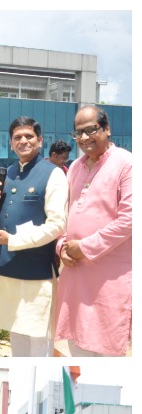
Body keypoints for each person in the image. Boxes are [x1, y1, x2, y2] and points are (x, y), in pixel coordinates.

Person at [0, 117, 68, 356]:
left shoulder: (53, 174)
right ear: (10, 143)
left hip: (37, 274)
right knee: (17, 343)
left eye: (29, 136)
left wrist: (12, 240)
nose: (24, 141)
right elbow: (3, 216)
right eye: (18, 137)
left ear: (40, 141)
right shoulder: (8, 173)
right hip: (7, 271)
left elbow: (57, 224)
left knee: (39, 345)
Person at [55, 106, 132, 356]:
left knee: (106, 349)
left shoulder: (127, 164)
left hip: (109, 276)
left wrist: (85, 247)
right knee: (76, 344)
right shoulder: (75, 167)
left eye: (91, 130)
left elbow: (130, 219)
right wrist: (62, 246)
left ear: (107, 129)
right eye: (78, 133)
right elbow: (63, 214)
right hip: (75, 272)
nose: (84, 138)